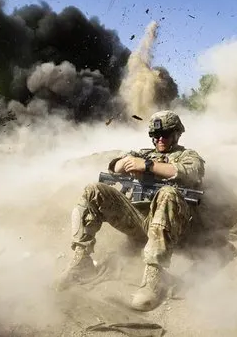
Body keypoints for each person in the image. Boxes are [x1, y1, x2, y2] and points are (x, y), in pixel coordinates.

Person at [56, 110, 205, 311]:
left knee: (168, 193)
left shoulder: (187, 156)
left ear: (177, 133)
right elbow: (114, 167)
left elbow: (190, 172)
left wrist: (149, 166)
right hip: (138, 221)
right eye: (155, 135)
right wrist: (126, 165)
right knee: (93, 191)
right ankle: (81, 261)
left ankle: (154, 276)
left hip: (173, 228)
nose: (160, 139)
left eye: (166, 134)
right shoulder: (143, 153)